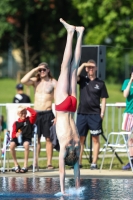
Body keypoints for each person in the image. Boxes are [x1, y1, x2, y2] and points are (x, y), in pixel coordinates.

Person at [55, 18, 84, 195]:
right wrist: (63, 191)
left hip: (73, 105)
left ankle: (80, 34)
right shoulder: (65, 145)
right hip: (63, 107)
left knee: (73, 67)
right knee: (65, 67)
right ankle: (70, 33)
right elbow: (61, 172)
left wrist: (78, 188)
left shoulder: (76, 145)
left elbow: (76, 172)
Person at [21, 62, 57, 169]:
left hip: (47, 113)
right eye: (40, 70)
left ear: (48, 70)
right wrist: (35, 68)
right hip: (36, 113)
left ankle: (49, 163)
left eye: (43, 70)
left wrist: (57, 116)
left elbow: (59, 99)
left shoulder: (53, 82)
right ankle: (35, 163)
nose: (42, 72)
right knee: (36, 139)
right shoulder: (35, 81)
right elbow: (23, 80)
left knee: (48, 139)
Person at [76, 59, 109, 170]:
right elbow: (75, 75)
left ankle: (94, 162)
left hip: (95, 114)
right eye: (88, 67)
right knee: (80, 139)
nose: (90, 69)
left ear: (96, 68)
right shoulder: (82, 80)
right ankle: (78, 162)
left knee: (95, 139)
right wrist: (84, 64)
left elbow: (103, 99)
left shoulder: (100, 83)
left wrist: (102, 113)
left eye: (92, 67)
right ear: (86, 68)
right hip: (82, 113)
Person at [10, 105, 37, 173]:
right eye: (22, 113)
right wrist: (16, 135)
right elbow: (13, 134)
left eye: (25, 113)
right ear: (18, 114)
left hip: (26, 138)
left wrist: (27, 108)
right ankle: (16, 164)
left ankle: (25, 165)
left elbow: (35, 113)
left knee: (26, 144)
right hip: (18, 138)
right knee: (12, 145)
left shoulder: (29, 120)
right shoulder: (16, 123)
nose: (24, 115)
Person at [121, 69, 133, 170]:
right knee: (129, 138)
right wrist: (131, 81)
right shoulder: (126, 82)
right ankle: (131, 161)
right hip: (129, 113)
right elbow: (125, 94)